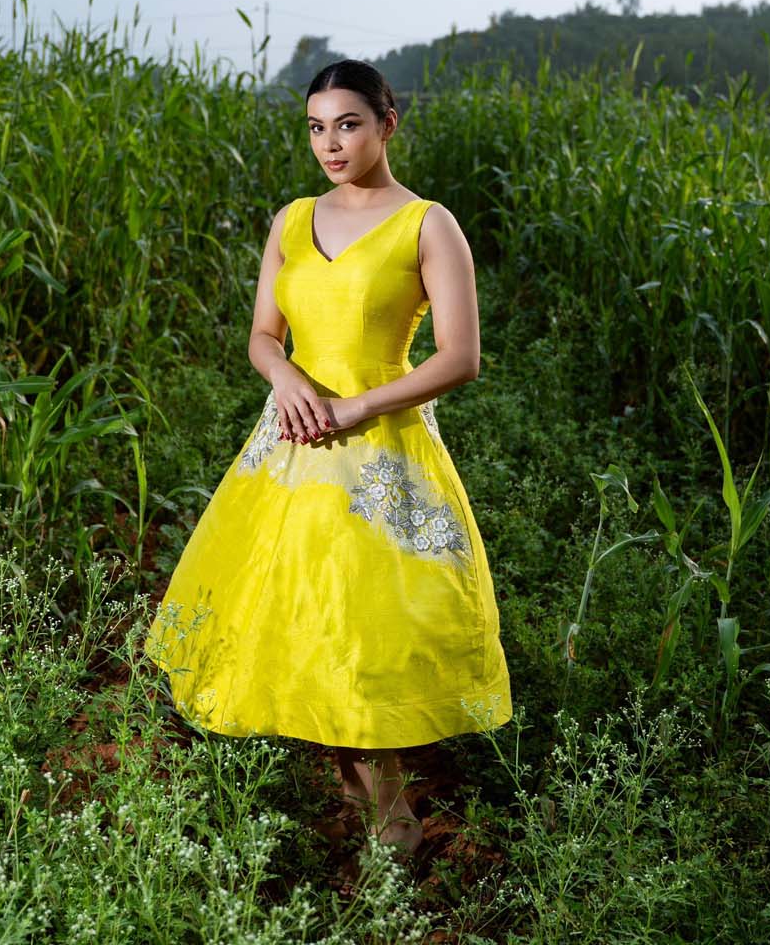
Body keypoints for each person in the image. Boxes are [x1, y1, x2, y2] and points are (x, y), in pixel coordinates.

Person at [141, 59, 514, 858]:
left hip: (379, 446)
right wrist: (285, 379)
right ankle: (354, 789)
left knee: (366, 624)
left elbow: (461, 358)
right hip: (291, 444)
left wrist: (355, 404)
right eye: (316, 127)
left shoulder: (428, 224)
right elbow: (262, 335)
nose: (330, 143)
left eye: (347, 123)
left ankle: (393, 815)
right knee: (295, 615)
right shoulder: (293, 218)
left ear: (388, 123)